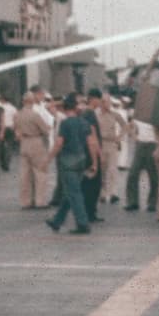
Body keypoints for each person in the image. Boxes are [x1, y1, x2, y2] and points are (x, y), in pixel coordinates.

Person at [45, 98, 99, 234]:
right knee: (70, 191)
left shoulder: (65, 123)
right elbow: (92, 143)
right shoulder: (84, 122)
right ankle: (57, 220)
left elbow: (59, 143)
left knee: (74, 193)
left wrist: (48, 159)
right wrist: (94, 162)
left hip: (68, 161)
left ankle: (83, 223)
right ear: (75, 108)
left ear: (64, 109)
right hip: (81, 160)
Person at [14, 92, 51, 209]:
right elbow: (45, 130)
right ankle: (40, 201)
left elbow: (16, 129)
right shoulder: (35, 115)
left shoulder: (17, 115)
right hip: (36, 141)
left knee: (25, 174)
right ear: (33, 101)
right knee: (40, 172)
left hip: (24, 142)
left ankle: (26, 201)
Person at [80, 93, 108, 223]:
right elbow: (93, 136)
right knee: (94, 184)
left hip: (86, 152)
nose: (100, 102)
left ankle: (88, 211)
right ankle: (90, 212)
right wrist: (99, 154)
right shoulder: (90, 114)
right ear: (93, 99)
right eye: (99, 99)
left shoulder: (85, 113)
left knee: (88, 184)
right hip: (91, 153)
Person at [125, 113, 158, 212]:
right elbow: (130, 126)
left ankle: (153, 203)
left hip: (153, 145)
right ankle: (132, 202)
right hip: (140, 144)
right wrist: (134, 136)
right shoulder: (139, 115)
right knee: (132, 174)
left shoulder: (156, 115)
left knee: (154, 176)